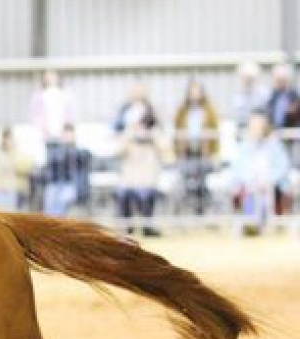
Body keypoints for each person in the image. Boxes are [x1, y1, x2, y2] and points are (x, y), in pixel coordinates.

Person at [229, 110, 291, 234]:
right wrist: (249, 180)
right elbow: (237, 168)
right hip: (250, 184)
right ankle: (249, 221)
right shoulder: (244, 146)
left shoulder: (274, 144)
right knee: (246, 194)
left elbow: (283, 166)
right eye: (253, 125)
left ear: (265, 126)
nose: (255, 129)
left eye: (258, 125)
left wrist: (269, 180)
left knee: (271, 193)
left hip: (270, 184)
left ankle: (270, 222)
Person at [113, 86, 164, 236]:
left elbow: (164, 147)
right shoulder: (125, 125)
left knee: (147, 192)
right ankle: (127, 227)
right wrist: (130, 132)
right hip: (130, 167)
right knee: (123, 192)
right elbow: (118, 149)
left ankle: (147, 226)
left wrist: (152, 134)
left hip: (148, 166)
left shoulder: (154, 131)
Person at [172, 80, 219, 214]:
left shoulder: (210, 112)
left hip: (205, 153)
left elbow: (215, 133)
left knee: (201, 179)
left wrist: (212, 152)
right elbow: (177, 132)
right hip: (187, 153)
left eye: (197, 91)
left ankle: (202, 210)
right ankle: (183, 211)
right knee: (185, 180)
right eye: (192, 92)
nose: (195, 95)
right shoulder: (182, 112)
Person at [40, 124, 90, 217]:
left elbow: (82, 169)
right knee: (48, 209)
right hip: (54, 184)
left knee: (61, 209)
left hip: (69, 185)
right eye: (66, 134)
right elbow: (51, 163)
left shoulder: (79, 152)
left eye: (70, 134)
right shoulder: (55, 149)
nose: (68, 136)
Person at [233, 61, 269, 130]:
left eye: (250, 78)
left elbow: (266, 114)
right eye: (244, 78)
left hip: (259, 129)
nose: (247, 81)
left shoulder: (263, 94)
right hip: (242, 128)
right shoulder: (238, 95)